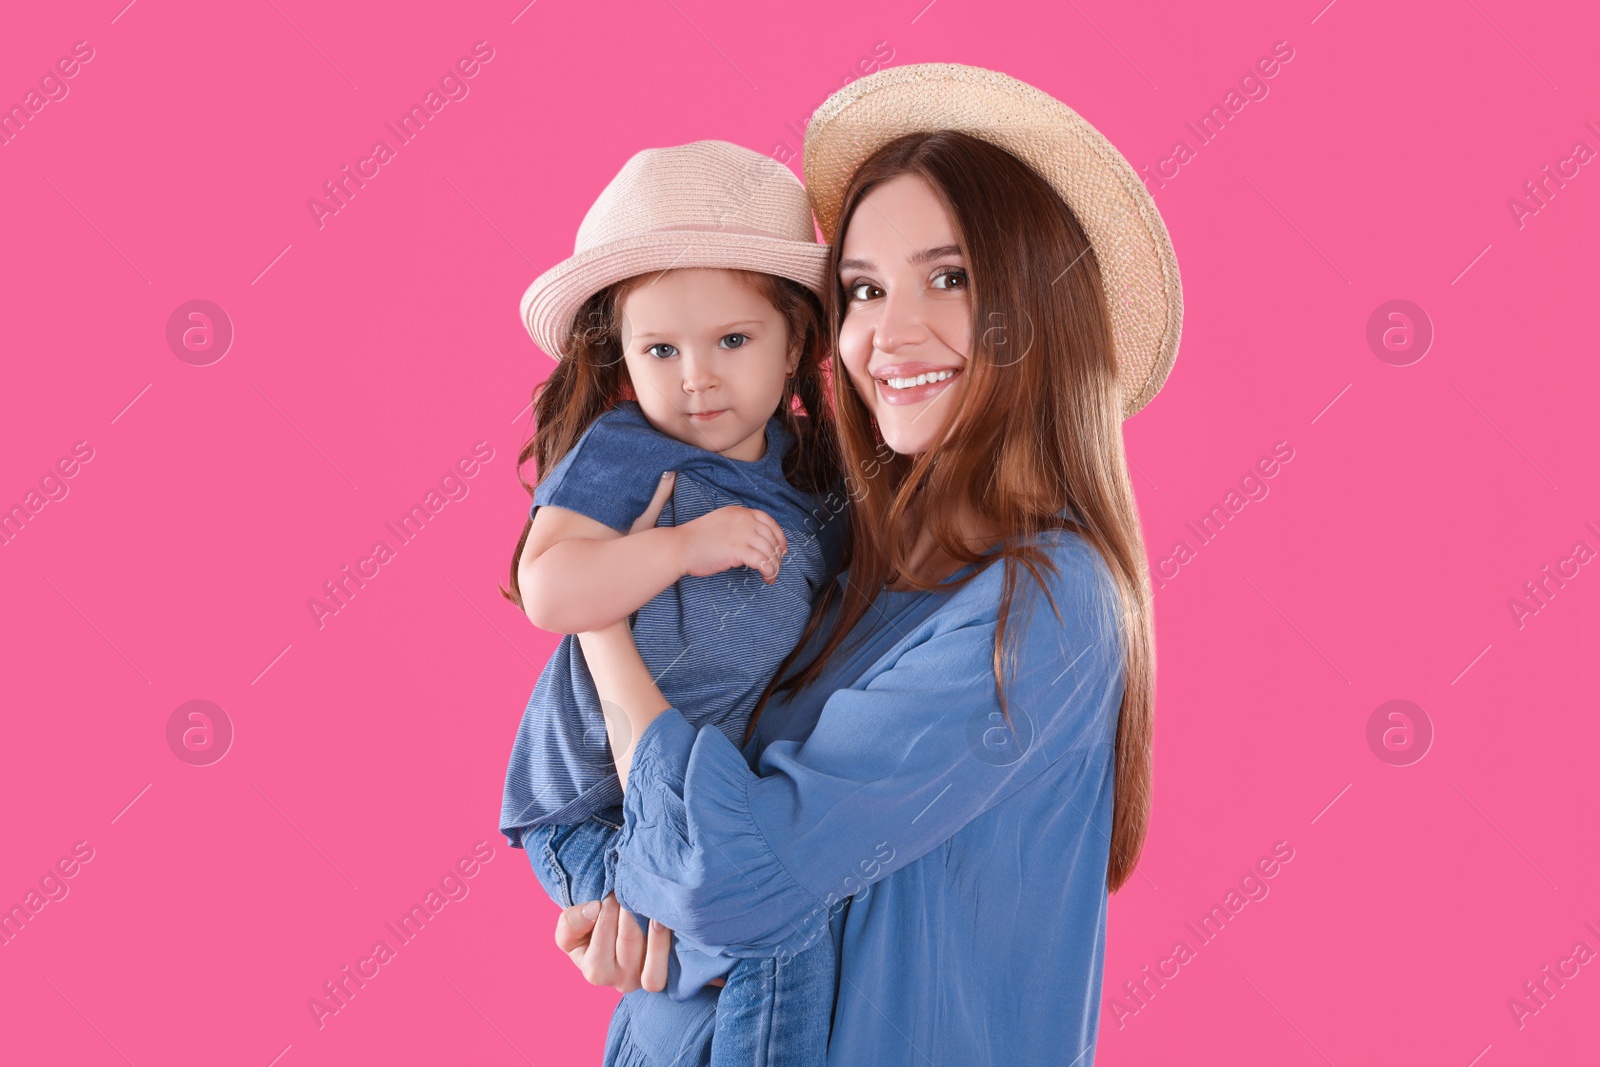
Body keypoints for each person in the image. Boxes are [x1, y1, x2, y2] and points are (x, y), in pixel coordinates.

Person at [551, 63, 1184, 1066]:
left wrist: (599, 624)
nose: (888, 333)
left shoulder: (1046, 606)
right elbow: (723, 886)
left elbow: (735, 871)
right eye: (862, 289)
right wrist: (634, 917)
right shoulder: (852, 565)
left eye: (949, 277)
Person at [498, 139, 852, 1066]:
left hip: (696, 781)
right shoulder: (631, 451)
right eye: (661, 348)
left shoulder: (812, 481)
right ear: (623, 355)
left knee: (750, 938)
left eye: (731, 341)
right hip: (592, 803)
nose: (695, 376)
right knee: (757, 926)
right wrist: (685, 545)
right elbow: (550, 588)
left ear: (795, 348)